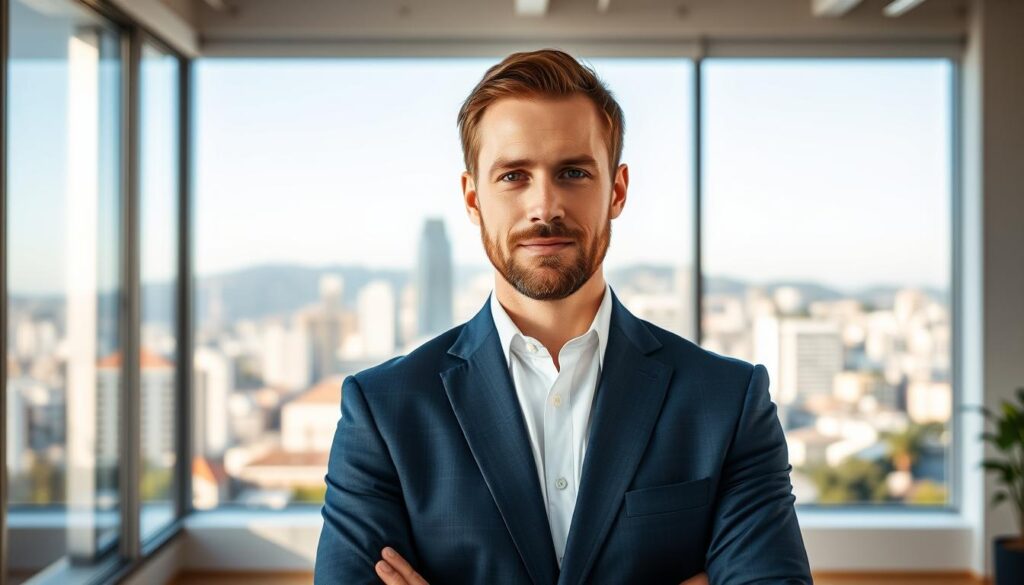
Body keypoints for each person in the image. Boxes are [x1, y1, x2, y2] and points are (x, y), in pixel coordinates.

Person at [314, 48, 812, 585]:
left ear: (616, 190)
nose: (545, 207)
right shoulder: (384, 412)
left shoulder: (728, 403)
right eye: (513, 176)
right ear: (473, 198)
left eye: (573, 172)